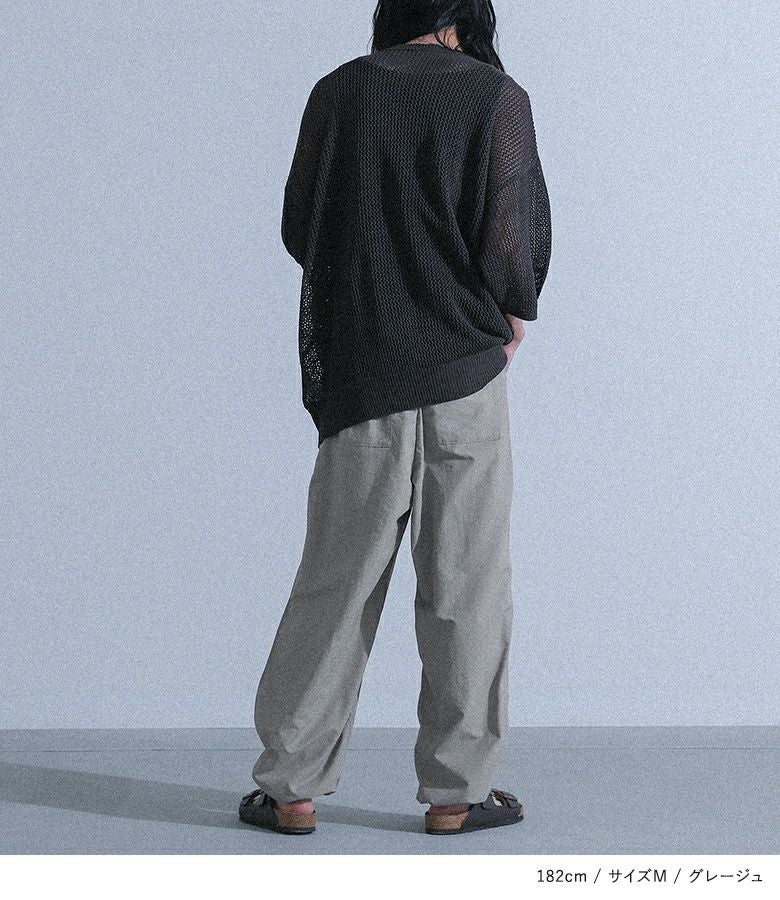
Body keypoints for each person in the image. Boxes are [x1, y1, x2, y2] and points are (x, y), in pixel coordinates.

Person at [239, 0, 551, 836]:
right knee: (468, 586)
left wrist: (376, 282)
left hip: (364, 375)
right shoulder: (496, 97)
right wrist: (509, 311)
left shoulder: (340, 91)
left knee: (335, 582)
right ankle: (457, 794)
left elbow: (301, 225)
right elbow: (511, 236)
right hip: (465, 378)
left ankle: (291, 787)